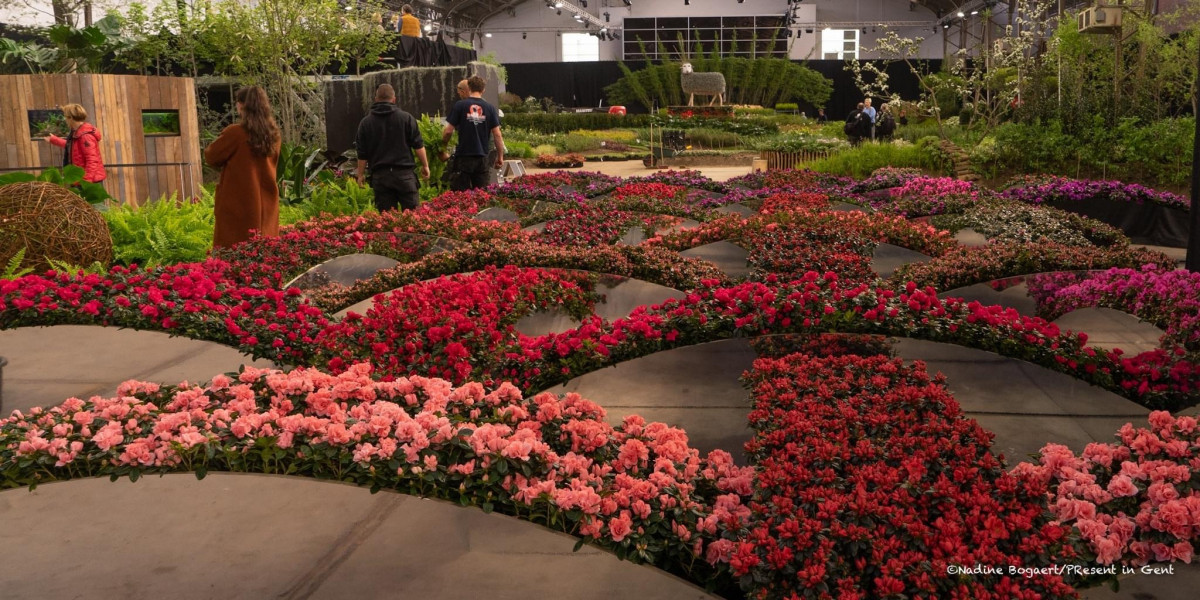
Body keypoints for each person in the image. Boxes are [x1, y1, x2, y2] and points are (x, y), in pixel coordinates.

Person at [205, 86, 281, 249]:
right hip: (267, 202)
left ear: (241, 105)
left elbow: (211, 156)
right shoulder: (274, 135)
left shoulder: (235, 133)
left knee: (234, 249)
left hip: (239, 203)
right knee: (264, 249)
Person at [355, 83, 430, 212]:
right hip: (405, 175)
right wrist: (425, 166)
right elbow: (418, 145)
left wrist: (360, 175)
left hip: (381, 177)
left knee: (387, 219)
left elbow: (362, 153)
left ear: (376, 99)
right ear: (394, 99)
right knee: (413, 217)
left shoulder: (366, 123)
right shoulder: (406, 118)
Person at [441, 75, 504, 191]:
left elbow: (448, 131)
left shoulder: (460, 105)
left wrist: (442, 149)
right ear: (483, 90)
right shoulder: (490, 108)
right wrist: (500, 157)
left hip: (463, 157)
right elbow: (497, 134)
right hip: (482, 157)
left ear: (469, 88)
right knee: (481, 194)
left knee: (460, 194)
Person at [45, 103, 106, 183]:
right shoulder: (78, 132)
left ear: (70, 118)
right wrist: (54, 139)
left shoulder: (85, 136)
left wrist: (86, 181)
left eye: (66, 117)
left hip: (89, 181)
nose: (65, 120)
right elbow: (73, 147)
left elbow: (92, 160)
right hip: (81, 179)